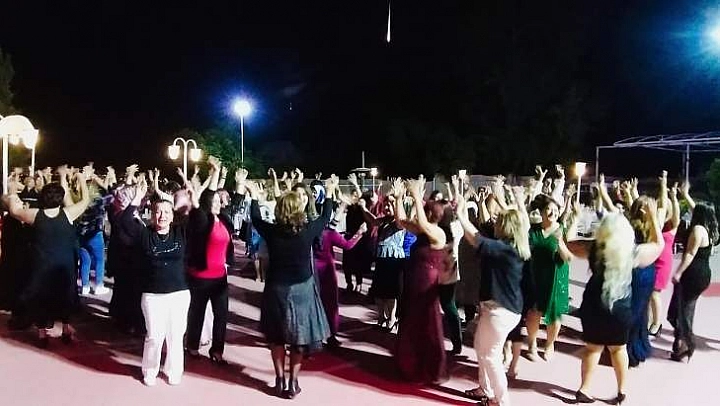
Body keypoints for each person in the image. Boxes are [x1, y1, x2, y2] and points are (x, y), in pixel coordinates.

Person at [246, 175, 335, 399]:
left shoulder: (272, 231)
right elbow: (326, 216)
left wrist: (254, 196)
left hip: (276, 288)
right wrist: (330, 192)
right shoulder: (308, 230)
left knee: (276, 337)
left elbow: (255, 218)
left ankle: (279, 380)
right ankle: (293, 382)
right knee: (299, 338)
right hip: (302, 289)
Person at [570, 210, 663, 405]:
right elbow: (659, 246)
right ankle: (621, 391)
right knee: (618, 349)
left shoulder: (594, 248)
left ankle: (584, 389)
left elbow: (569, 243)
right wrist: (653, 218)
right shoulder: (633, 252)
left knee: (592, 349)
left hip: (594, 305)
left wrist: (575, 218)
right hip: (620, 306)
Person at [457, 183, 530, 406]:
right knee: (482, 349)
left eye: (499, 221)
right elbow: (522, 222)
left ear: (506, 227)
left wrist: (461, 214)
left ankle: (500, 400)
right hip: (499, 309)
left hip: (500, 312)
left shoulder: (505, 249)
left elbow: (474, 237)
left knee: (490, 356)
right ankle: (486, 390)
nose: (495, 222)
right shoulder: (513, 244)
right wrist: (517, 201)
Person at [3, 168, 90, 347]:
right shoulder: (68, 213)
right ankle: (66, 329)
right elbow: (85, 201)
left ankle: (43, 334)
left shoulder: (36, 215)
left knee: (41, 297)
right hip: (64, 265)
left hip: (42, 265)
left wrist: (11, 192)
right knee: (65, 296)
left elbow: (14, 210)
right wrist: (81, 179)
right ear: (60, 198)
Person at [120, 182, 190, 387]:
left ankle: (173, 370)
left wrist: (187, 197)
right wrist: (137, 197)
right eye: (158, 212)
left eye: (167, 212)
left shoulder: (181, 232)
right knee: (154, 336)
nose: (162, 216)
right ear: (152, 214)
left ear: (173, 215)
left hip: (179, 293)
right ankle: (150, 370)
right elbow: (125, 220)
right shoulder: (144, 234)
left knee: (175, 336)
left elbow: (196, 218)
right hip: (152, 295)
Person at [392, 178, 449, 384]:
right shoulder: (423, 230)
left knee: (425, 323)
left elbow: (423, 223)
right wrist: (398, 198)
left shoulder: (438, 233)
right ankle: (410, 363)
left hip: (427, 284)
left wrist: (417, 196)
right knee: (411, 320)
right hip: (413, 279)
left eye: (426, 210)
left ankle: (428, 368)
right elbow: (400, 221)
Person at [185, 157, 234, 364]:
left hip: (220, 278)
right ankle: (192, 346)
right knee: (197, 313)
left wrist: (220, 174)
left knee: (221, 315)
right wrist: (214, 173)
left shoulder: (223, 220)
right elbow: (207, 195)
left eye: (218, 202)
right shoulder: (201, 220)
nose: (217, 204)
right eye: (213, 202)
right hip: (200, 277)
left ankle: (217, 351)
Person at [667, 201, 719, 362]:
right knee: (683, 310)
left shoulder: (697, 230)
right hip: (702, 273)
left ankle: (686, 345)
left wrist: (678, 272)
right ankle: (681, 341)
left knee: (683, 312)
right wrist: (685, 194)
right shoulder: (710, 229)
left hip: (693, 274)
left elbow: (690, 254)